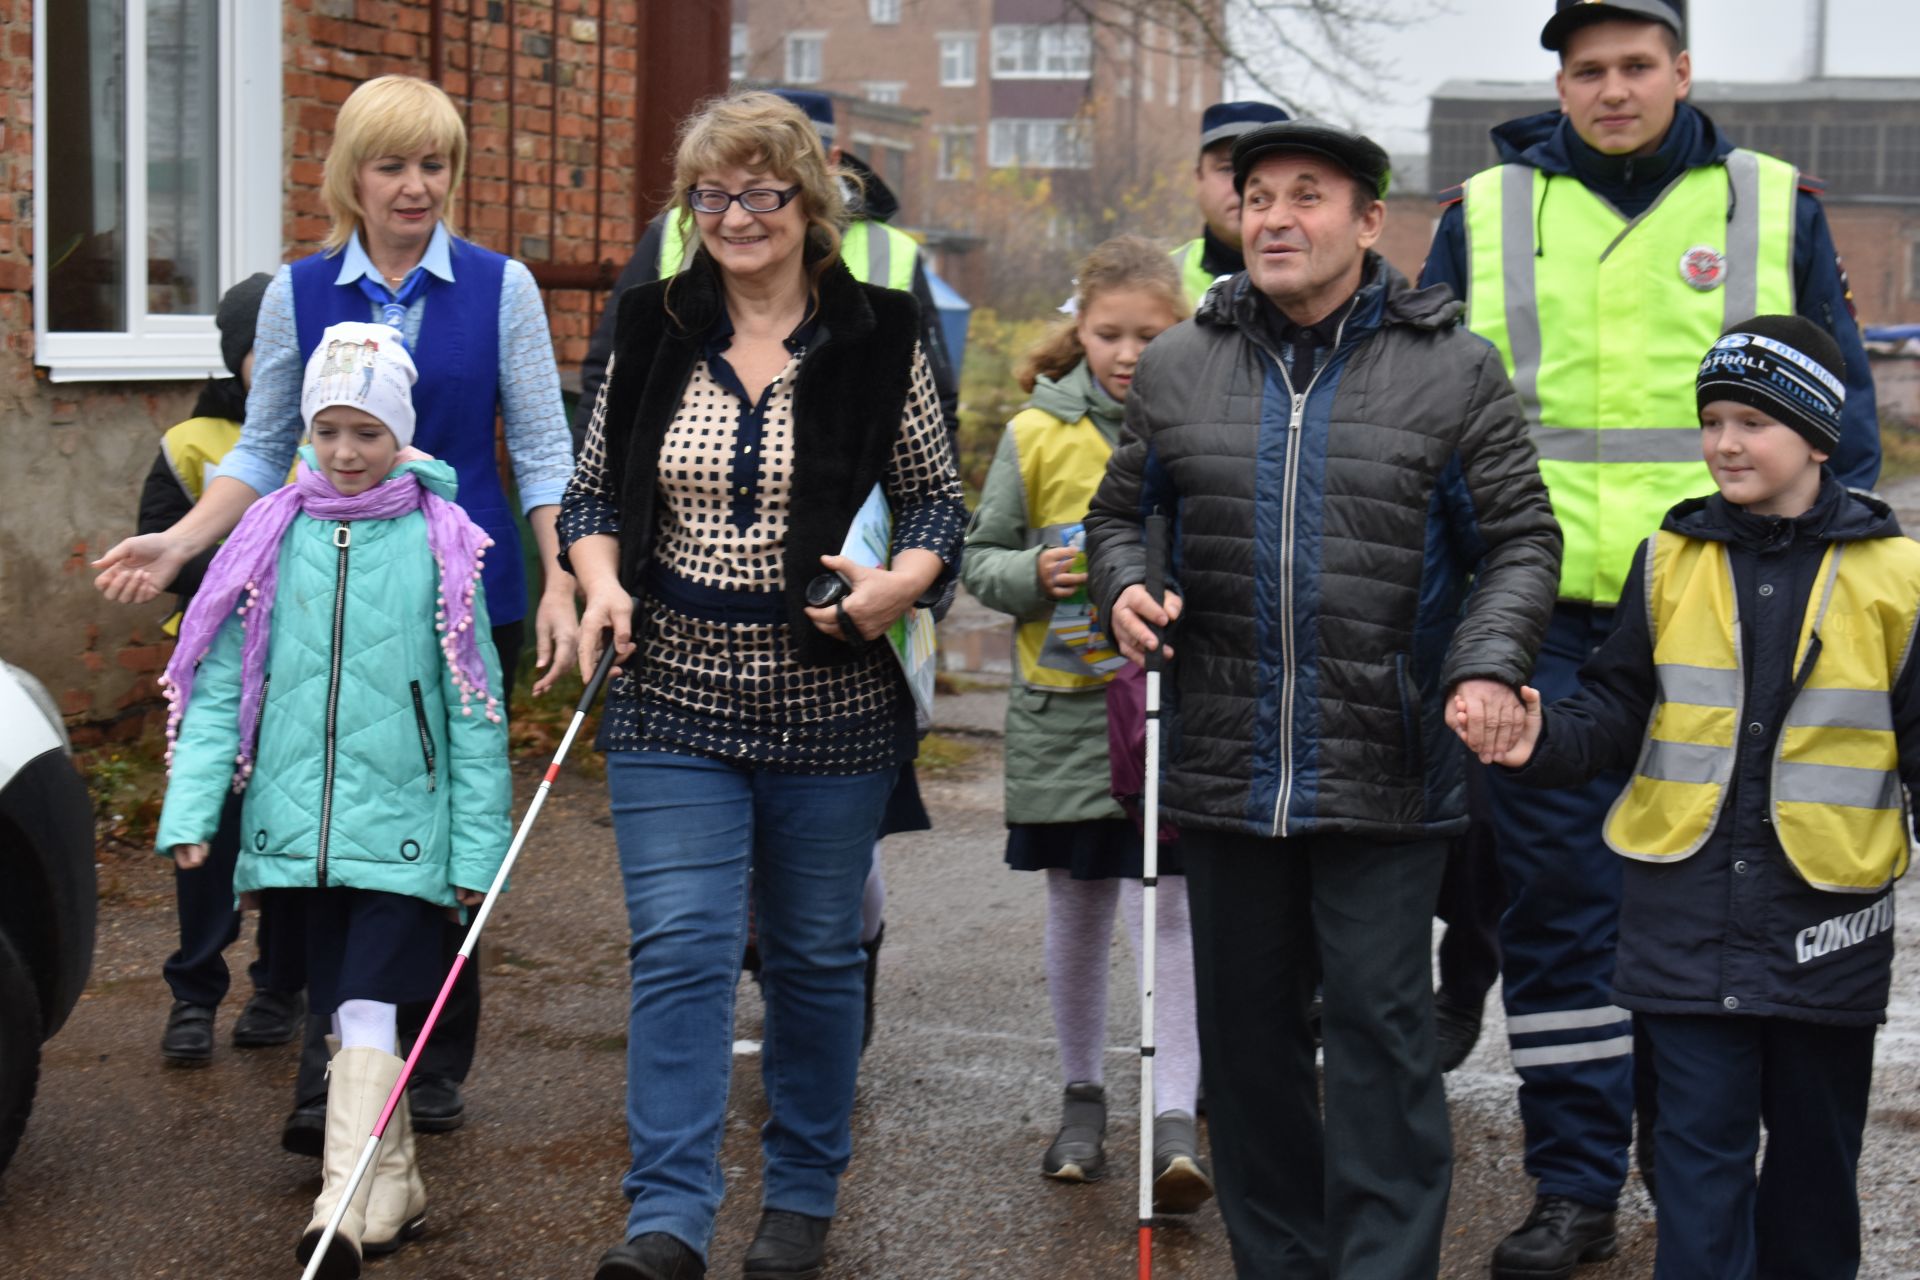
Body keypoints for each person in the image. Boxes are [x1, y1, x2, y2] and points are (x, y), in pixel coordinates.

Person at [1418, 3, 1883, 1270]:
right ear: (1560, 82)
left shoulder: (1768, 200)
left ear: (1682, 71)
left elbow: (1840, 415)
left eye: (1637, 66)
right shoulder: (1487, 210)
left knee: (1714, 894)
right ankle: (1572, 1181)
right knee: (1561, 909)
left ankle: (1691, 1165)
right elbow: (1423, 418)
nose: (1613, 89)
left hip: (1730, 608)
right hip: (1547, 613)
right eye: (1588, 70)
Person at [1085, 119, 1562, 1277]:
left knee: (1382, 1041)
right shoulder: (1184, 362)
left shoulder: (1453, 368)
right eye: (1258, 197)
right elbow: (1116, 517)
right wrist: (1127, 590)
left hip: (1387, 763)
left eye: (1310, 195)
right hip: (1228, 760)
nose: (1279, 216)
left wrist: (1485, 662)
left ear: (1367, 223)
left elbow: (1519, 540)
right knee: (1248, 1052)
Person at [93, 73, 577, 1144]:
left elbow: (543, 449)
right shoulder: (299, 292)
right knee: (328, 825)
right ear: (350, 176)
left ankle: (434, 1052)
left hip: (457, 597)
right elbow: (264, 450)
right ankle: (342, 1054)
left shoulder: (501, 288)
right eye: (393, 165)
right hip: (319, 600)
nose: (416, 187)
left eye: (435, 164)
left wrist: (565, 575)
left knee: (445, 823)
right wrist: (182, 539)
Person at [563, 91, 965, 1280]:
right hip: (670, 681)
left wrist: (905, 586)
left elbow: (939, 495)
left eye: (761, 191)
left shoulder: (882, 331)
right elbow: (592, 496)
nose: (736, 215)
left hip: (830, 691)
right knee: (681, 944)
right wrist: (599, 581)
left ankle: (799, 1191)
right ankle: (669, 1215)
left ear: (808, 202)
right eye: (711, 194)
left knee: (813, 953)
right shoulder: (651, 324)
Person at [1454, 315, 1916, 1280]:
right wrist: (1542, 740)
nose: (1725, 443)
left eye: (1753, 421)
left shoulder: (1898, 578)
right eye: (1712, 420)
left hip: (1822, 923)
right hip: (1681, 920)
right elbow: (1618, 711)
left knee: (1813, 1168)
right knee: (1695, 1164)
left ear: (1819, 436)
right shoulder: (1668, 560)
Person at [154, 321, 511, 1275]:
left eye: (368, 433)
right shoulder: (269, 538)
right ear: (306, 433)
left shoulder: (446, 544)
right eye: (329, 432)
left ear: (401, 434)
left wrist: (479, 853)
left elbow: (475, 711)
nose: (348, 454)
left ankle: (339, 1209)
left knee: (363, 1003)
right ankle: (391, 1187)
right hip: (295, 829)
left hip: (406, 830)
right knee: (339, 1006)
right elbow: (223, 688)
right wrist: (193, 810)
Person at [960, 235, 1210, 1214]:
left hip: (1176, 708)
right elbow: (979, 557)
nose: (1128, 351)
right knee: (1078, 898)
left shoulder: (1206, 426)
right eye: (1108, 332)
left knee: (1177, 904)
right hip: (1065, 707)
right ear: (1079, 330)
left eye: (1151, 333)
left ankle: (1177, 1115)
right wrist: (1032, 575)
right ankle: (1081, 1097)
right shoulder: (1035, 431)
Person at [143, 272, 309, 1069]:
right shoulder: (190, 443)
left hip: (307, 669)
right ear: (236, 358)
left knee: (289, 832)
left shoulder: (335, 440)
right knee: (207, 831)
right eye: (262, 352)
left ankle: (280, 986)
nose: (281, 365)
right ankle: (193, 993)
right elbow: (159, 547)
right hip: (217, 671)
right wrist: (243, 569)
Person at [1169, 101, 1291, 307]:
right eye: (1226, 168)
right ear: (1198, 178)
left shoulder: (1327, 277)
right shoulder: (1161, 276)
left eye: (1259, 169)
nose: (1242, 185)